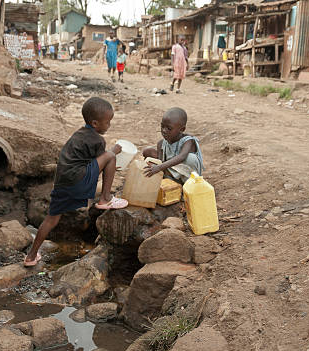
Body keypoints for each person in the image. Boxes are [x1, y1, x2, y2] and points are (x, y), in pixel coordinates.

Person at [24, 97, 128, 266]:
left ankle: (31, 256)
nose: (109, 125)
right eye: (107, 122)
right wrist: (114, 151)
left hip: (62, 182)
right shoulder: (97, 140)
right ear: (95, 123)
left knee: (51, 219)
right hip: (78, 179)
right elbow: (103, 160)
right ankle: (106, 198)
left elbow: (91, 162)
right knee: (110, 156)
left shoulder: (79, 134)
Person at [142, 107, 204, 184]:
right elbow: (161, 162)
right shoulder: (161, 143)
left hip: (186, 175)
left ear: (182, 129)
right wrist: (157, 167)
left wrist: (159, 167)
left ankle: (188, 186)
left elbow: (182, 157)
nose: (164, 130)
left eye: (169, 128)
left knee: (190, 158)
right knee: (148, 151)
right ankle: (166, 183)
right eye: (162, 126)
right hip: (170, 174)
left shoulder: (188, 141)